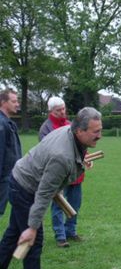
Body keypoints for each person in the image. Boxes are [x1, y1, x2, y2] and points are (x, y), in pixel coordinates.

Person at [0, 107, 102, 269]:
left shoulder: (70, 133)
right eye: (95, 132)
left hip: (22, 180)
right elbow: (43, 194)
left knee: (12, 236)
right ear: (79, 130)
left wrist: (81, 160)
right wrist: (32, 227)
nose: (100, 136)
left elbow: (74, 154)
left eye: (100, 130)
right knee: (33, 242)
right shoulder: (61, 157)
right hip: (25, 188)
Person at [39, 97, 88, 248]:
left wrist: (85, 158)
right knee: (58, 205)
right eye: (58, 110)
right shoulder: (46, 128)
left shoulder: (70, 125)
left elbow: (80, 146)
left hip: (75, 174)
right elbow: (47, 152)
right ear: (51, 111)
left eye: (63, 109)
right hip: (58, 174)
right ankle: (60, 236)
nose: (62, 112)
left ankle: (70, 231)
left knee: (75, 204)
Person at [0, 89, 22, 218]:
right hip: (4, 178)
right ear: (3, 102)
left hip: (11, 176)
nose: (17, 104)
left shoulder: (8, 123)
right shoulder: (2, 124)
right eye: (13, 101)